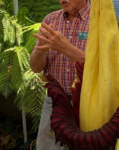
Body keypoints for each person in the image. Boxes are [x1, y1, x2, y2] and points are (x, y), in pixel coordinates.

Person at [30, 0, 90, 149]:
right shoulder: (50, 20)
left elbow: (103, 67)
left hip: (87, 105)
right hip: (53, 103)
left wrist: (65, 48)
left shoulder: (100, 21)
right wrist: (40, 51)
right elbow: (36, 68)